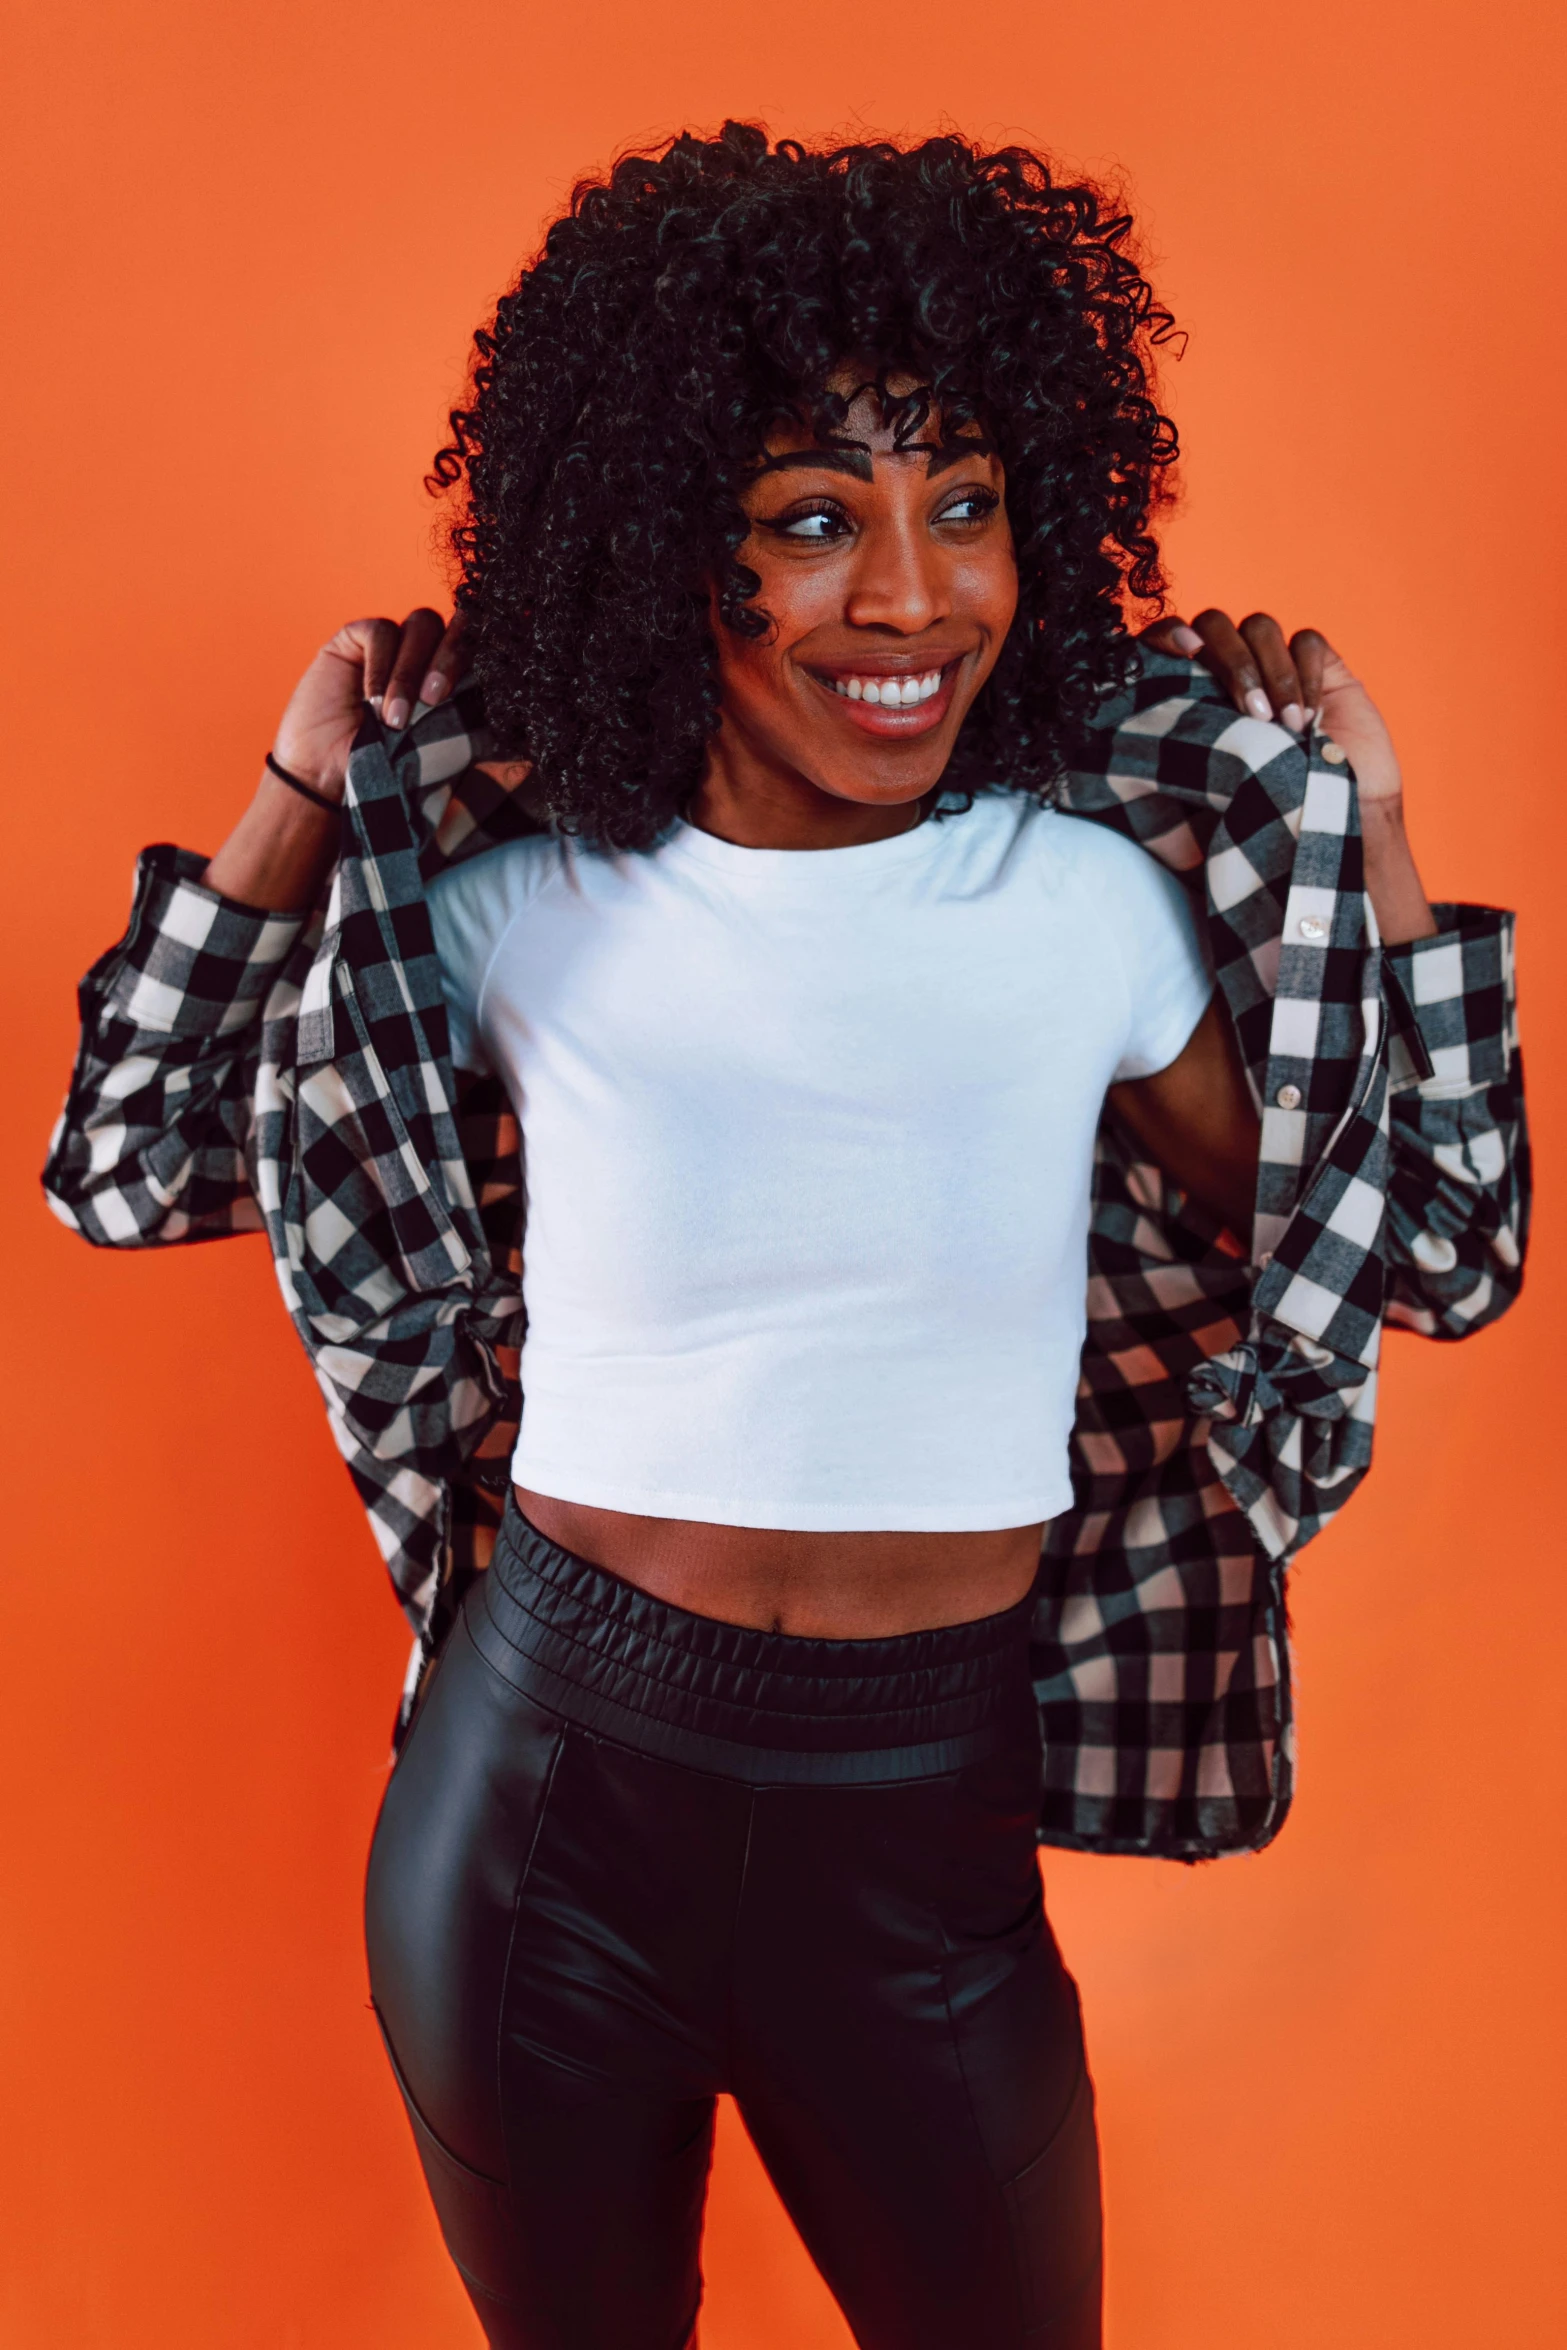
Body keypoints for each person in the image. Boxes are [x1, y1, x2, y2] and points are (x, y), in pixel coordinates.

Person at [44, 125, 1528, 2350]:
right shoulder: (512, 905)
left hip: (924, 1815)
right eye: (814, 520)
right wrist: (290, 790)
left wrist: (1382, 842)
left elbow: (1435, 1245)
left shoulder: (1089, 904)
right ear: (662, 549)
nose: (916, 598)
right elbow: (128, 1156)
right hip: (543, 1806)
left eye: (966, 505)